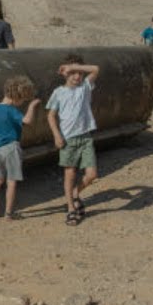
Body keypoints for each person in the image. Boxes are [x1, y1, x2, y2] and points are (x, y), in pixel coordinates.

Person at [46, 54, 100, 226]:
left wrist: (75, 67)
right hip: (68, 140)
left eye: (79, 73)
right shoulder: (58, 93)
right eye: (72, 73)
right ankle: (70, 207)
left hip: (85, 137)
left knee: (92, 174)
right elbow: (51, 115)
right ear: (64, 74)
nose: (77, 76)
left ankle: (75, 193)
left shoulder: (85, 87)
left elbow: (96, 69)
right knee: (70, 174)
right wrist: (56, 135)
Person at [0, 75, 40, 220]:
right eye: (22, 100)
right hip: (12, 147)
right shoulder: (11, 110)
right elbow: (27, 121)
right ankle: (9, 213)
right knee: (12, 181)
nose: (21, 103)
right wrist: (32, 107)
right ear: (17, 96)